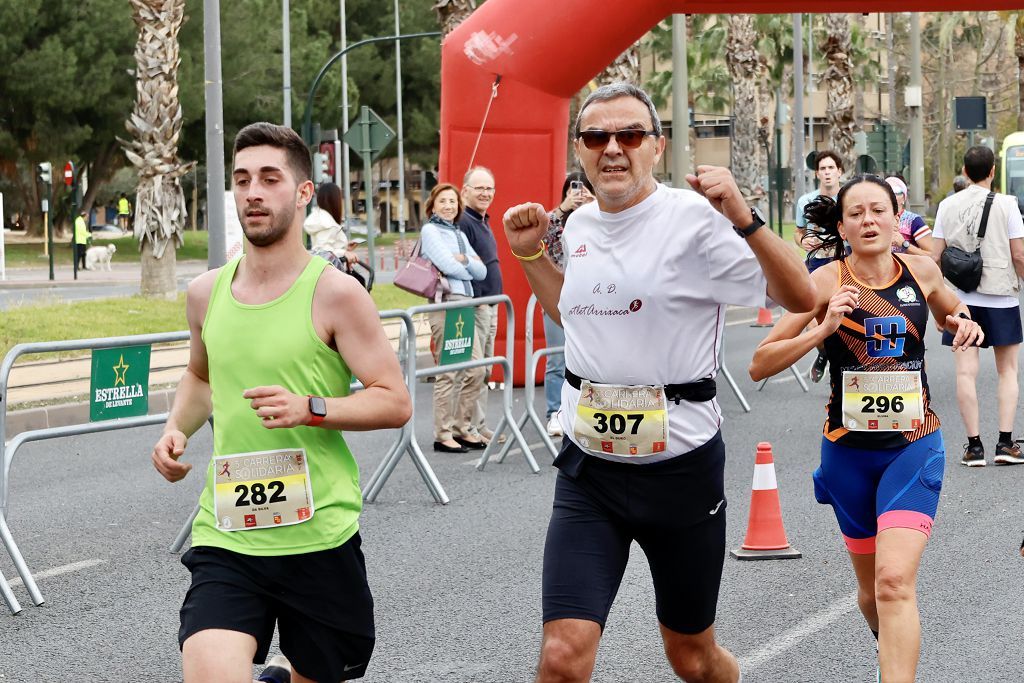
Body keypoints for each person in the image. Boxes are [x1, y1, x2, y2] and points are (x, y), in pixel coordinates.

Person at [503, 82, 816, 683]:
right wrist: (528, 255)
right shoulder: (577, 224)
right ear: (580, 149)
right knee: (561, 656)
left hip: (681, 473)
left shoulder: (696, 219)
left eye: (629, 135)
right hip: (590, 473)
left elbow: (800, 295)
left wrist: (745, 218)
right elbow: (575, 313)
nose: (612, 149)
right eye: (597, 137)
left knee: (691, 656)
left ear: (657, 145)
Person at [149, 122, 411, 683]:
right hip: (229, 531)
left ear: (303, 192)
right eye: (242, 180)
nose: (253, 192)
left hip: (317, 534)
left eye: (270, 178)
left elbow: (395, 401)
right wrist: (177, 428)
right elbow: (200, 375)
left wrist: (311, 407)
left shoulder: (337, 294)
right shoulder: (205, 293)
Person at [750, 174, 983, 682]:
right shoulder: (824, 282)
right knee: (872, 592)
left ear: (896, 220)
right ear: (842, 225)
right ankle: (893, 647)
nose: (868, 221)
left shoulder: (921, 269)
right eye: (855, 213)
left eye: (878, 210)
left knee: (895, 581)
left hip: (914, 445)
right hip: (847, 456)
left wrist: (965, 321)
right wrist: (823, 328)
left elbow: (949, 310)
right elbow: (759, 363)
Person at [931, 145, 1024, 467]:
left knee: (965, 373)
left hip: (961, 300)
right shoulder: (1008, 205)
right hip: (1001, 296)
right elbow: (1019, 255)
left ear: (965, 171)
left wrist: (938, 305)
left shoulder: (946, 206)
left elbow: (934, 257)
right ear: (994, 171)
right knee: (1007, 371)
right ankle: (1005, 442)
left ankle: (973, 448)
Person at [419, 182, 487, 453]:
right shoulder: (430, 230)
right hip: (446, 304)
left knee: (476, 369)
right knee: (448, 373)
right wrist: (466, 264)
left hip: (465, 304)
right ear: (432, 205)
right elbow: (447, 265)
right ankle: (442, 434)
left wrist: (464, 262)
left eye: (453, 201)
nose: (449, 206)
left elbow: (482, 271)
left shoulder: (458, 233)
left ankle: (462, 427)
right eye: (443, 201)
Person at [540, 171, 595, 437]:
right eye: (574, 190)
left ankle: (585, 411)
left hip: (595, 301)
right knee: (556, 359)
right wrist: (564, 208)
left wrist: (596, 204)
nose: (579, 194)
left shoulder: (599, 219)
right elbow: (543, 233)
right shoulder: (559, 223)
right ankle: (554, 413)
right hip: (558, 297)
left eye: (585, 189)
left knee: (591, 360)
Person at [459, 166, 502, 444]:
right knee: (474, 370)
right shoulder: (464, 221)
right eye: (480, 188)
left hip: (492, 303)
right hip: (476, 305)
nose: (486, 193)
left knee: (485, 370)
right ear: (464, 191)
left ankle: (479, 423)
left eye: (490, 188)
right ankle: (466, 427)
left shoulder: (483, 221)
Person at [794, 151, 846, 382]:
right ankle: (824, 353)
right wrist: (804, 241)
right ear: (817, 173)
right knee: (812, 320)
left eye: (831, 168)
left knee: (845, 316)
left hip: (843, 261)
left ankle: (844, 365)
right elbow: (799, 232)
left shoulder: (848, 197)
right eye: (823, 169)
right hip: (816, 262)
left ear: (839, 172)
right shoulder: (805, 201)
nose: (827, 173)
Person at [303, 182, 357, 266]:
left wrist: (345, 248)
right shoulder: (328, 224)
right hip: (332, 273)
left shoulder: (320, 218)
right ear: (335, 200)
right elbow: (323, 252)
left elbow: (326, 248)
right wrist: (344, 253)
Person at [884, 176, 934, 257]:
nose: (891, 195)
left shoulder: (913, 221)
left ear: (904, 198)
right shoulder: (874, 220)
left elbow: (933, 256)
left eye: (896, 191)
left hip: (908, 268)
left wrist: (904, 244)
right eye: (887, 191)